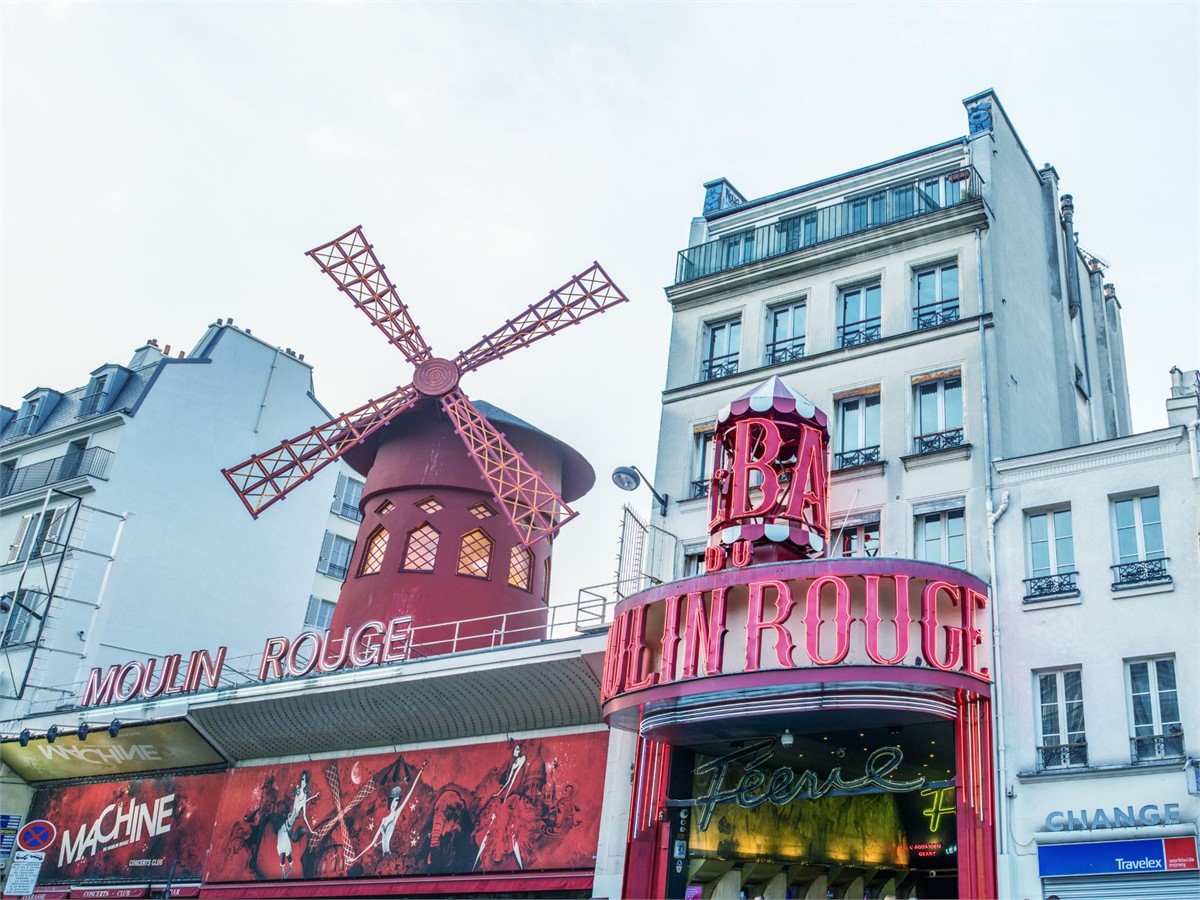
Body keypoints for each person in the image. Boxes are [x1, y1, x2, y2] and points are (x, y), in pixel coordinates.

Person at [277, 770, 315, 878]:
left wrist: (311, 830)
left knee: (285, 844)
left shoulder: (304, 799)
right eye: (302, 779)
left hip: (290, 823)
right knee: (283, 843)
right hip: (288, 821)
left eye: (304, 779)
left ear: (306, 782)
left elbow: (304, 815)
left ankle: (284, 874)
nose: (302, 781)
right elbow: (293, 804)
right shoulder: (298, 791)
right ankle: (284, 873)